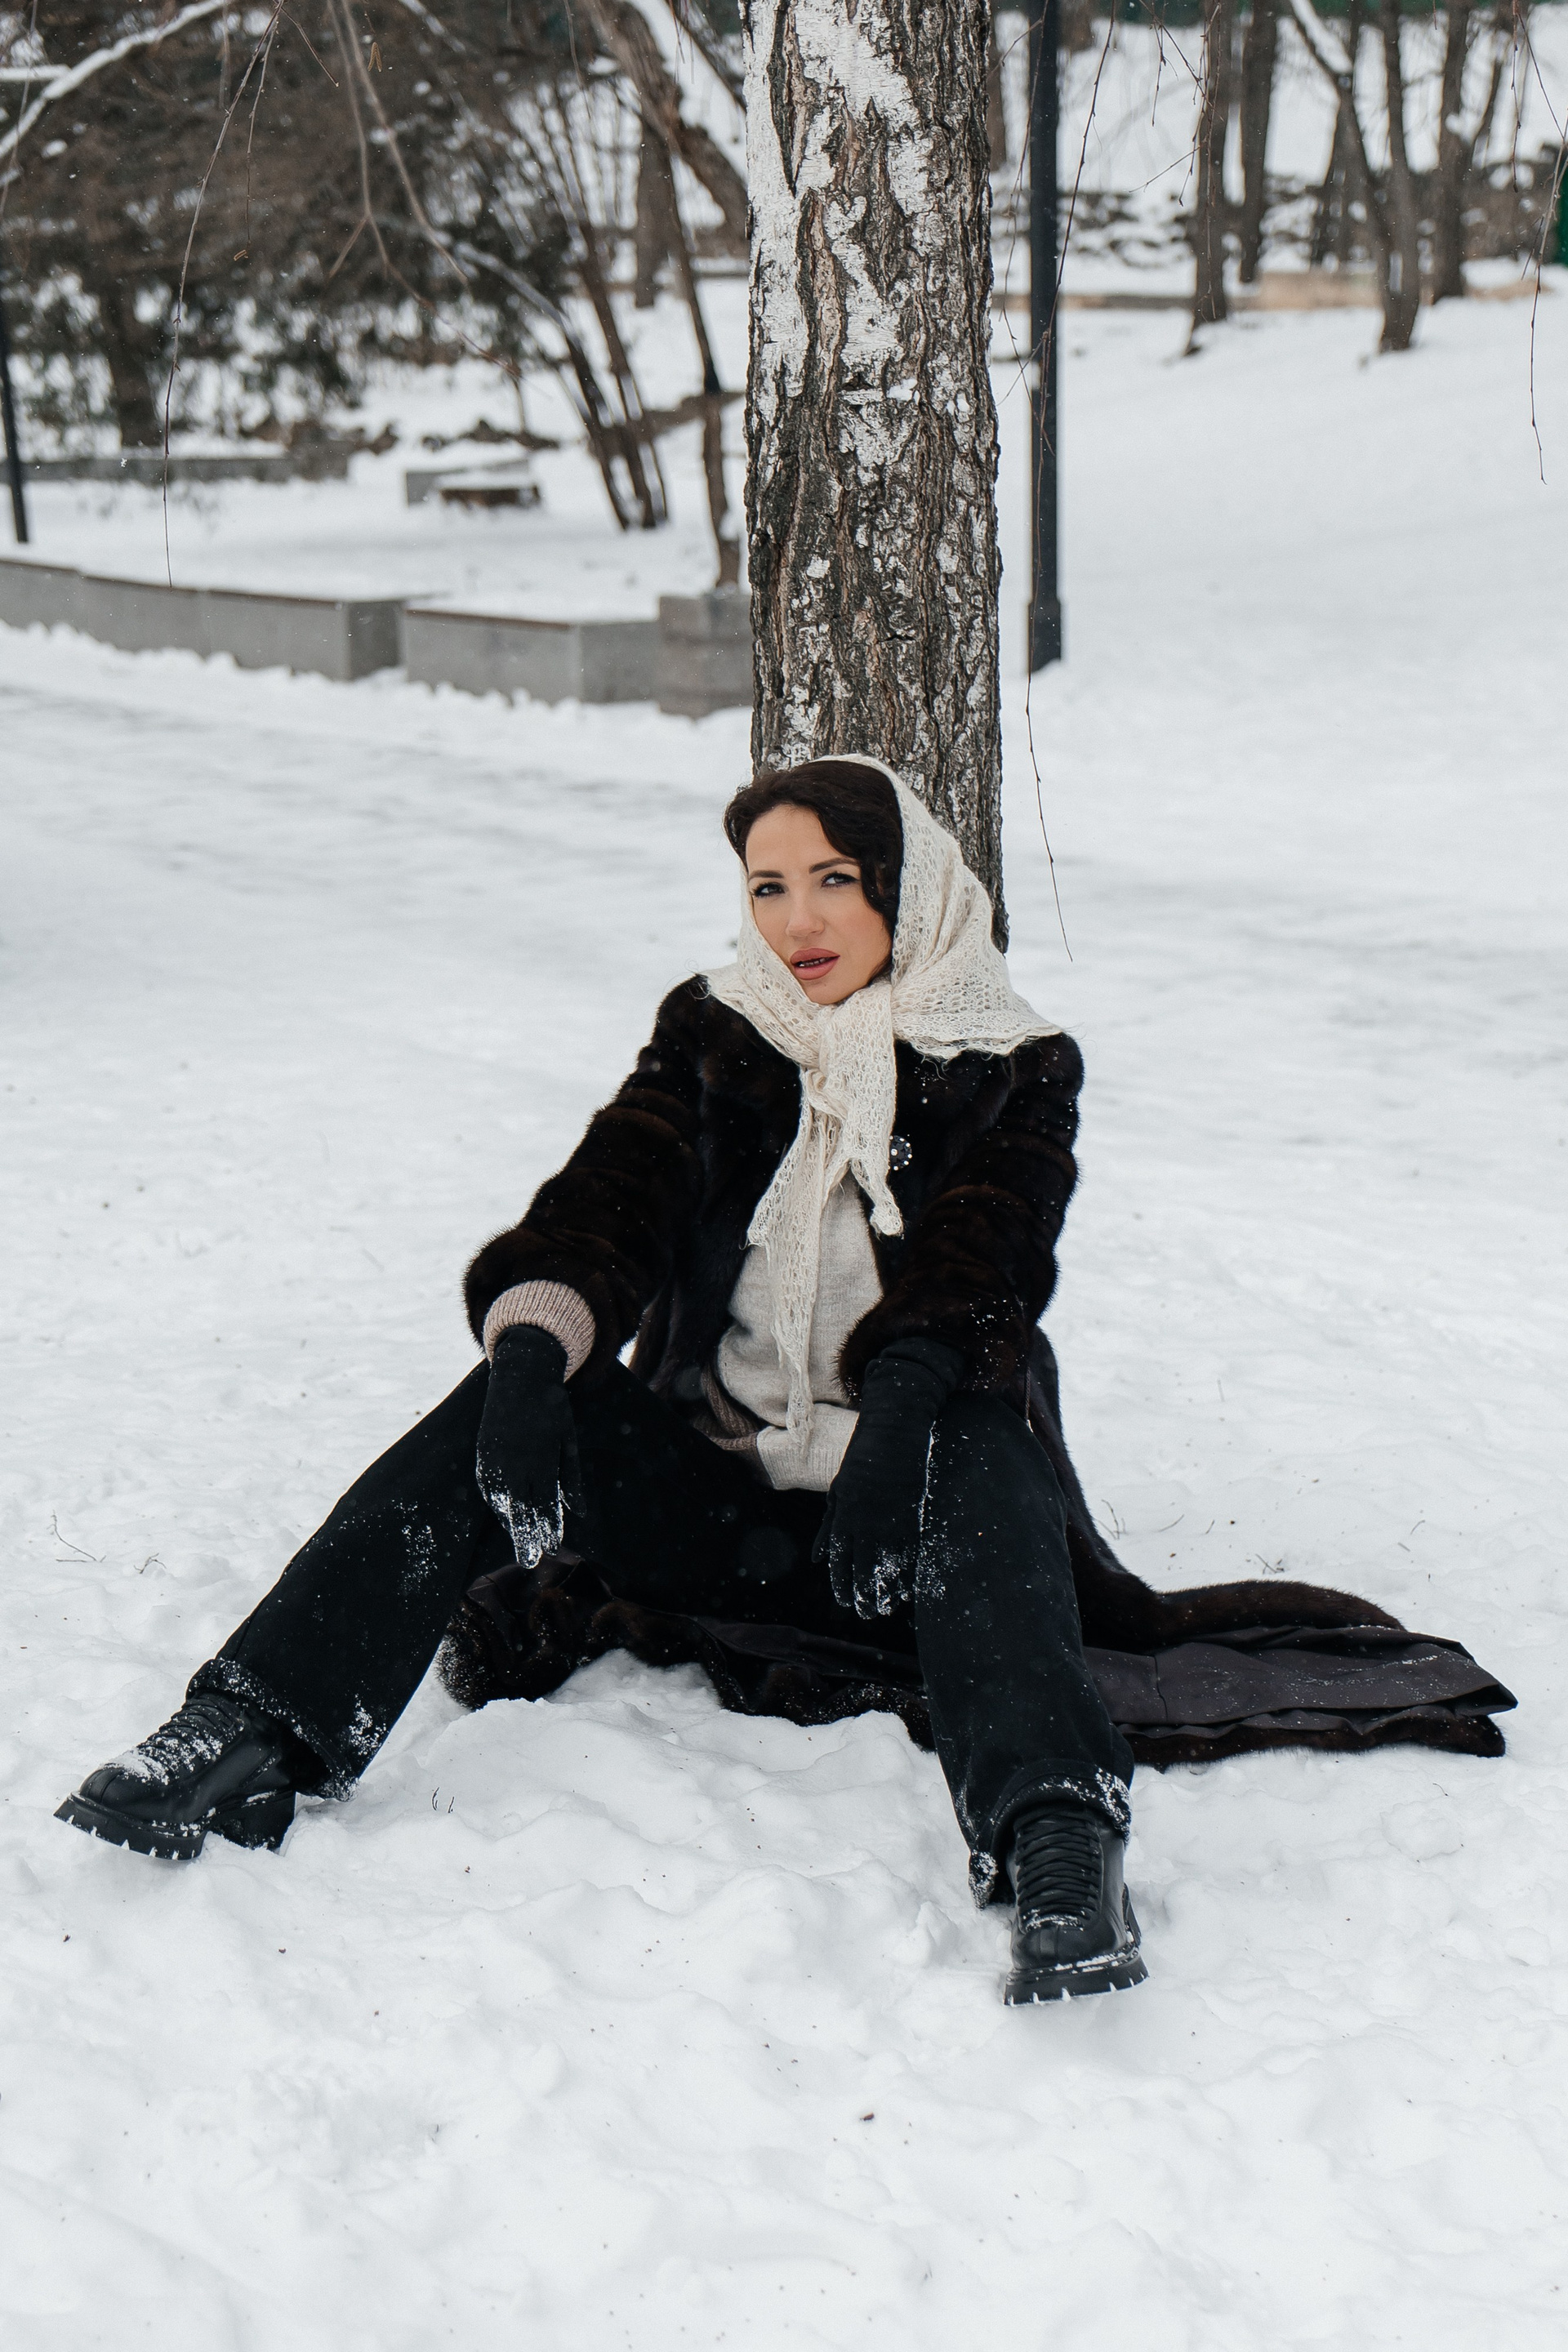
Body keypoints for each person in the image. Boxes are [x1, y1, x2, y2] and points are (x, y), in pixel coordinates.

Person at [58, 756, 1147, 2005]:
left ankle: (1059, 1837)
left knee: (981, 1437)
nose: (797, 921)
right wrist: (532, 1355)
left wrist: (898, 1414)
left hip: (913, 1527)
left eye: (835, 880)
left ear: (905, 887)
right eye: (769, 887)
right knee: (513, 1389)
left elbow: (987, 1268)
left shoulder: (1012, 1061)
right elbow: (607, 1203)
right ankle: (254, 1728)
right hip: (724, 1517)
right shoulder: (718, 1031)